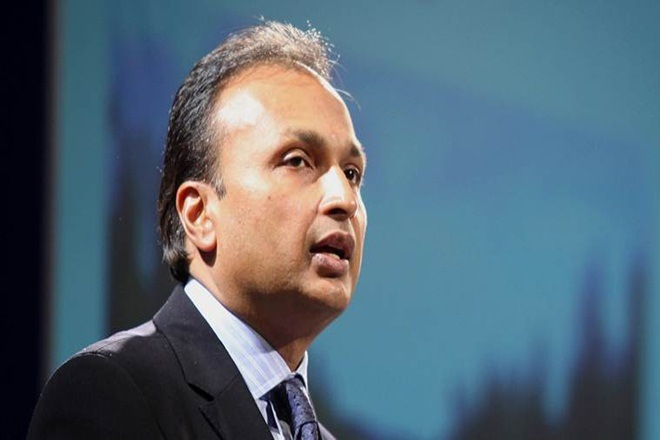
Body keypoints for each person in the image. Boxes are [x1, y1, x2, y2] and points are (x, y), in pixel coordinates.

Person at [28, 20, 367, 440]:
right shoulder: (110, 394)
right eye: (297, 160)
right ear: (199, 213)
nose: (343, 199)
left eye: (352, 173)